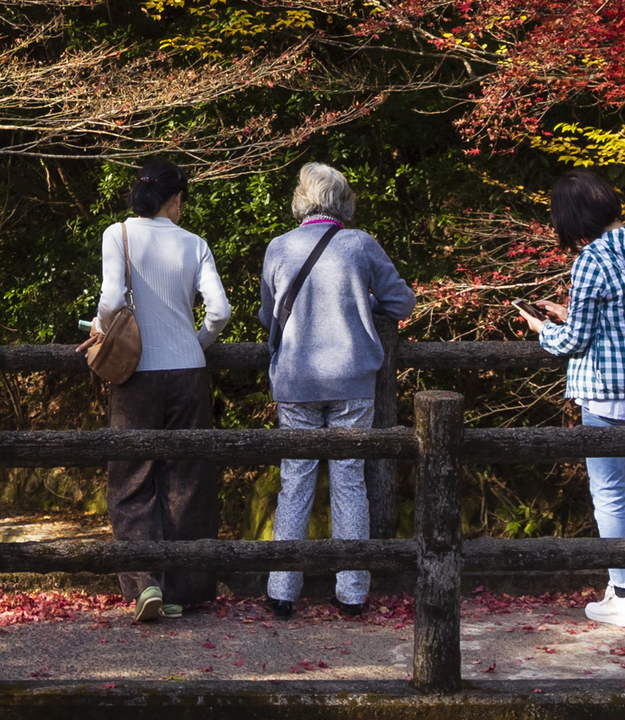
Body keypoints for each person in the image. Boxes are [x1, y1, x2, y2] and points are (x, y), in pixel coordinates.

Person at [517, 171, 625, 629]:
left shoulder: (590, 261)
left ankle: (624, 595)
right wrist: (568, 313)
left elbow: (574, 343)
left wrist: (542, 328)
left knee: (605, 491)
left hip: (610, 393)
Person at [257, 163, 413, 621]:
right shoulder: (360, 245)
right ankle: (352, 593)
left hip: (296, 381)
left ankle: (282, 591)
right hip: (352, 382)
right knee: (349, 482)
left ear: (301, 201)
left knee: (295, 482)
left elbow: (268, 317)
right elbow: (402, 302)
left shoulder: (279, 247)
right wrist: (363, 303)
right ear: (342, 202)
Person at [91, 158, 231, 623]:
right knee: (185, 479)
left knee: (131, 478)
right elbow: (220, 312)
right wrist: (196, 343)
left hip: (136, 374)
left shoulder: (119, 235)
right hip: (188, 372)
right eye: (182, 199)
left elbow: (111, 301)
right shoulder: (195, 245)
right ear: (174, 198)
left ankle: (144, 584)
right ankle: (181, 591)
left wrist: (101, 326)